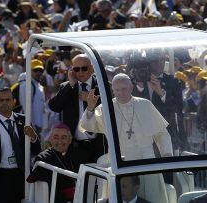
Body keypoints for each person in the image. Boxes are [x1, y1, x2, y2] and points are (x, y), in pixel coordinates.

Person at [80, 73, 173, 203]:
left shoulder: (145, 104)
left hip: (146, 162)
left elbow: (161, 133)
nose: (121, 93)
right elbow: (87, 126)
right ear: (113, 90)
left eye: (124, 89)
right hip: (120, 163)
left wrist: (166, 153)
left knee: (152, 198)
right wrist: (90, 108)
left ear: (131, 88)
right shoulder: (105, 108)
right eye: (117, 90)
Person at [0, 87, 41, 203]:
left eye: (8, 99)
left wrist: (34, 136)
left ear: (14, 101)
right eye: (1, 100)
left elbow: (37, 150)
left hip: (22, 176)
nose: (4, 103)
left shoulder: (25, 121)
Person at [48, 53, 107, 162]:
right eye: (76, 69)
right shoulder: (68, 86)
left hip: (99, 143)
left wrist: (93, 101)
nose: (80, 72)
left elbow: (111, 108)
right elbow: (54, 106)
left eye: (84, 68)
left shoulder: (103, 86)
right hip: (75, 145)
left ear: (92, 68)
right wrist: (70, 85)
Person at [27, 123, 91, 203]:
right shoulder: (43, 158)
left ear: (70, 140)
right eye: (56, 137)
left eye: (64, 137)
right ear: (50, 139)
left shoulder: (79, 154)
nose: (60, 141)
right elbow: (49, 189)